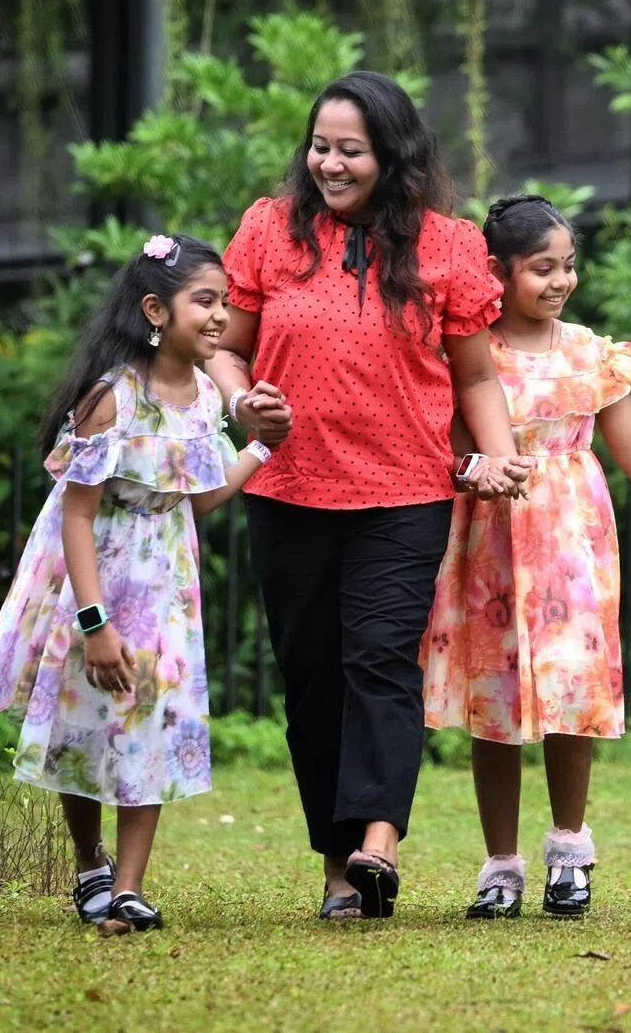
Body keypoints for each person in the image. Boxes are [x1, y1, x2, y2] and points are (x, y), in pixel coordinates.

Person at [209, 71, 529, 922]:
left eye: (351, 150)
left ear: (393, 155)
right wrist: (243, 403)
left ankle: (378, 841)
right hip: (287, 489)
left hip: (403, 491)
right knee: (312, 677)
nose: (331, 163)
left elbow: (477, 375)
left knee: (382, 662)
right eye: (321, 146)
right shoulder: (269, 232)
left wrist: (501, 460)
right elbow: (225, 352)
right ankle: (337, 867)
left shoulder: (448, 246)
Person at [421, 194, 631, 919]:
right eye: (543, 268)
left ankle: (570, 852)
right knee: (493, 703)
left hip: (573, 546)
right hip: (490, 546)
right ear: (497, 273)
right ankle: (500, 865)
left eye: (568, 265)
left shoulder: (590, 353)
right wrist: (473, 468)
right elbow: (443, 452)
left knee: (572, 697)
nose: (561, 280)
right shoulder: (470, 354)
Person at [0, 234, 279, 935]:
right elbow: (78, 515)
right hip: (95, 577)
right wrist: (94, 623)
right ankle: (90, 865)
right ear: (156, 309)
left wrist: (263, 447)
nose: (220, 316)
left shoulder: (207, 394)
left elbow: (201, 497)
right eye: (203, 302)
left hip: (167, 586)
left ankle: (128, 888)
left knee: (149, 718)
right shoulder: (112, 399)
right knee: (83, 720)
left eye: (225, 302)